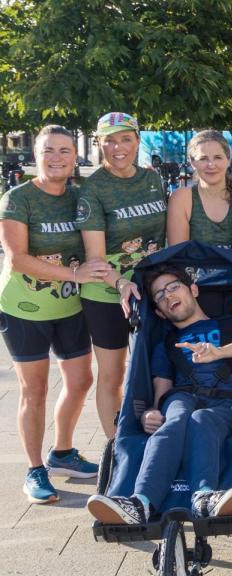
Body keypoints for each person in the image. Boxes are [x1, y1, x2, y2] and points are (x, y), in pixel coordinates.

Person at [86, 264, 232, 524]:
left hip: (228, 402)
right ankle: (141, 503)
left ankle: (203, 497)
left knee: (201, 420)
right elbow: (163, 386)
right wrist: (151, 410)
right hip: (182, 396)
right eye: (160, 295)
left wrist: (218, 352)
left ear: (193, 289)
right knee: (174, 419)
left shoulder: (231, 320)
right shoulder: (167, 342)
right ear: (159, 311)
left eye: (173, 287)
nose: (168, 296)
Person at [0, 125, 110, 503]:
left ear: (75, 155)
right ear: (36, 155)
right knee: (36, 389)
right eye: (49, 150)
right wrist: (74, 274)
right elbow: (17, 260)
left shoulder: (80, 196)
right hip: (24, 308)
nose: (57, 157)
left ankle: (62, 453)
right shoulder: (17, 198)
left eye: (65, 150)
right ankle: (34, 469)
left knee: (80, 381)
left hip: (70, 306)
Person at [76, 112, 167, 441]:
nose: (118, 146)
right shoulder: (93, 189)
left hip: (152, 290)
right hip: (107, 295)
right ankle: (118, 447)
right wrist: (120, 283)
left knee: (157, 369)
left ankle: (158, 441)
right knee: (113, 375)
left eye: (125, 138)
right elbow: (95, 259)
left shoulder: (153, 179)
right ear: (98, 142)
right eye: (109, 140)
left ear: (137, 140)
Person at [165, 130, 232, 252]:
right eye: (203, 158)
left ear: (228, 160)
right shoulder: (181, 199)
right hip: (194, 270)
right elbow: (179, 252)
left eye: (217, 157)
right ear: (192, 162)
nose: (211, 165)